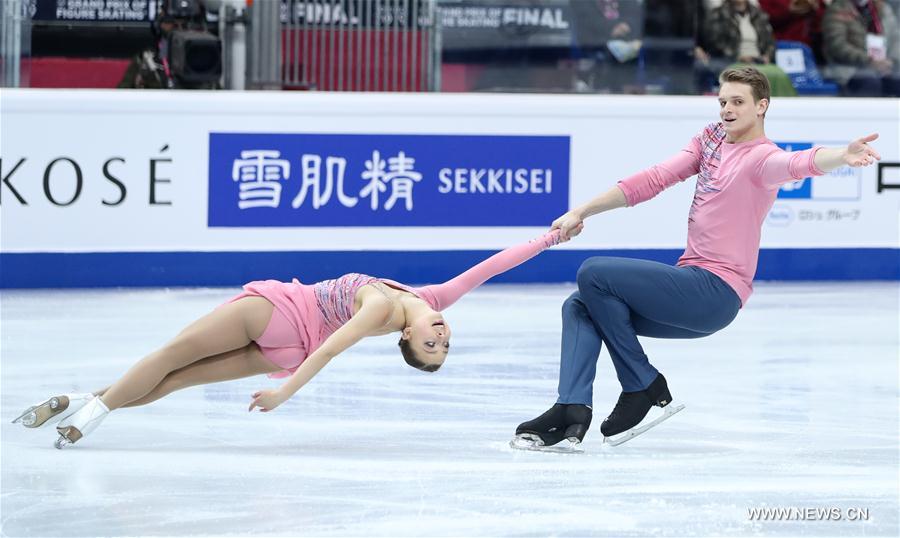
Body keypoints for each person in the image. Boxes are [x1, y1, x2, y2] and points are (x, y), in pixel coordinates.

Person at [512, 66, 882, 450]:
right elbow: (653, 179)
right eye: (723, 101)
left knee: (593, 273)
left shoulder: (761, 158)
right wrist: (582, 211)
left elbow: (797, 163)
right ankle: (571, 407)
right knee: (580, 304)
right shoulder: (711, 142)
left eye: (738, 102)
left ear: (762, 107)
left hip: (715, 293)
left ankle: (641, 383)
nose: (727, 109)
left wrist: (843, 154)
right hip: (690, 283)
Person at [13, 230, 569, 448]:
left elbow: (331, 349)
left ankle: (92, 412)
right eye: (443, 345)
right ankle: (80, 402)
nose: (440, 339)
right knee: (174, 381)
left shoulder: (381, 305)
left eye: (429, 347)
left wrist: (285, 394)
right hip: (286, 350)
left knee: (170, 356)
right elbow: (494, 266)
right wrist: (552, 238)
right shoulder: (435, 296)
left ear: (405, 338)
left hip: (275, 316)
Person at [699, 0, 798, 95]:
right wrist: (738, 57)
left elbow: (770, 42)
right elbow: (715, 43)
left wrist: (767, 56)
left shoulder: (759, 14)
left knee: (779, 73)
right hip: (731, 61)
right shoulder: (718, 14)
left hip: (759, 61)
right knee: (754, 75)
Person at [821, 0, 900, 96]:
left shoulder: (883, 8)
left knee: (896, 81)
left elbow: (896, 38)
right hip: (850, 71)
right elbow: (837, 46)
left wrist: (892, 61)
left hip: (885, 67)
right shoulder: (837, 9)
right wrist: (869, 60)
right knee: (870, 83)